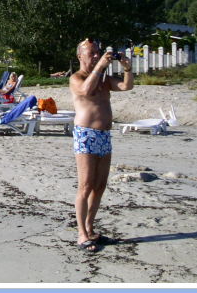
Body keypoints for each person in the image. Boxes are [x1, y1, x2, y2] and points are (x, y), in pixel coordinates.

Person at [70, 38, 133, 254]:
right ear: (80, 56)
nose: (96, 55)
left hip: (104, 135)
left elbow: (126, 86)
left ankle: (90, 228)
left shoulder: (104, 80)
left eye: (98, 52)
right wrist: (101, 66)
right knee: (86, 185)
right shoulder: (76, 78)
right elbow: (86, 91)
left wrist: (127, 68)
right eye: (92, 53)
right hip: (86, 134)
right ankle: (81, 234)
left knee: (100, 185)